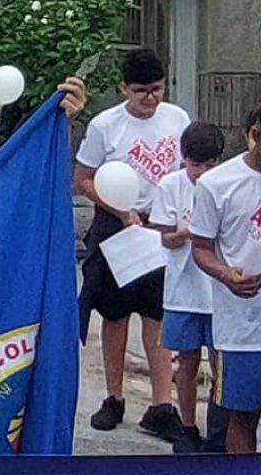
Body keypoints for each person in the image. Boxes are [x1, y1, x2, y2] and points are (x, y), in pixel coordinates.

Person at [75, 50, 192, 440]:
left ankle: (161, 403)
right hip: (117, 224)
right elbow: (84, 179)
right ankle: (114, 395)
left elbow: (184, 171)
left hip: (160, 225)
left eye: (157, 90)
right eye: (141, 91)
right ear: (125, 88)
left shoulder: (177, 118)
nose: (150, 98)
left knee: (159, 316)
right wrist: (121, 210)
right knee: (114, 314)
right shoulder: (105, 125)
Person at [189, 95, 261, 456]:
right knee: (241, 416)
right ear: (256, 134)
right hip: (243, 328)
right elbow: (201, 247)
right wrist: (224, 274)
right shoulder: (217, 184)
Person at [151, 121, 231, 455]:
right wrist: (189, 232)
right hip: (183, 288)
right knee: (186, 361)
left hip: (217, 291)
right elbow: (166, 238)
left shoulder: (226, 184)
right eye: (194, 164)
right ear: (183, 159)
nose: (200, 172)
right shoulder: (171, 185)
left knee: (220, 363)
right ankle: (187, 424)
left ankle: (218, 429)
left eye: (208, 165)